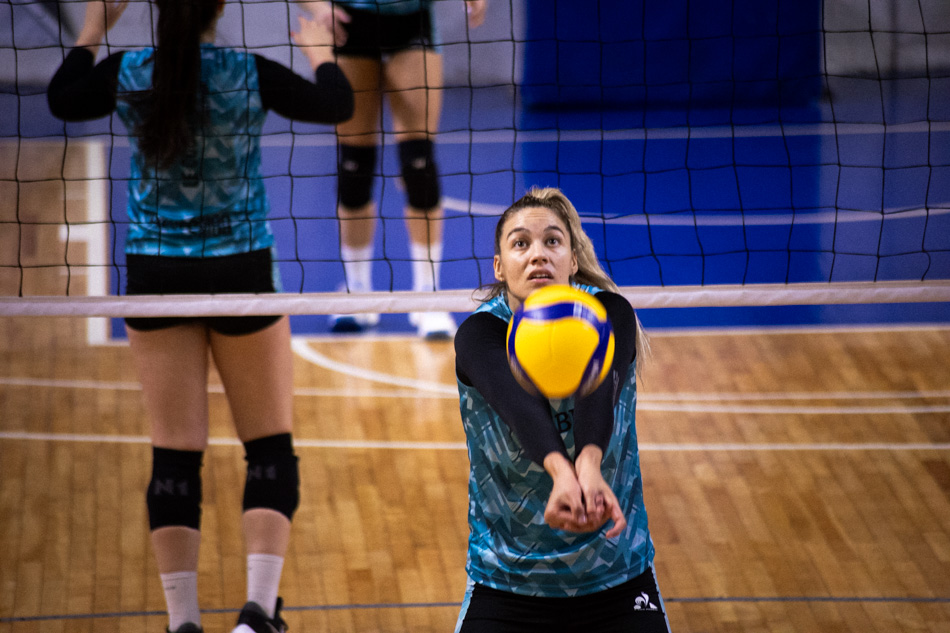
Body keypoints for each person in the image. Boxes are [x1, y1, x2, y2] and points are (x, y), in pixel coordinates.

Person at [47, 2, 354, 633]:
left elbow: (62, 99)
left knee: (174, 457)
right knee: (269, 448)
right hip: (240, 270)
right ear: (220, 8)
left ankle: (183, 621)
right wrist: (320, 48)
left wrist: (94, 28)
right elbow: (336, 105)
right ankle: (258, 614)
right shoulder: (247, 71)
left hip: (157, 276)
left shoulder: (131, 72)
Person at [452, 187, 670, 632]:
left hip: (618, 578)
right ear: (499, 266)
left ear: (572, 261)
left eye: (552, 241)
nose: (537, 255)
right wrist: (563, 474)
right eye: (520, 243)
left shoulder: (610, 313)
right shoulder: (479, 335)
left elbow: (596, 396)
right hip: (506, 583)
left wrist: (587, 467)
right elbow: (519, 407)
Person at [298, 0, 487, 339]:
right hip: (349, 20)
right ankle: (358, 291)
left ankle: (427, 297)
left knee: (420, 165)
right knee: (354, 166)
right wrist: (317, 6)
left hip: (410, 20)